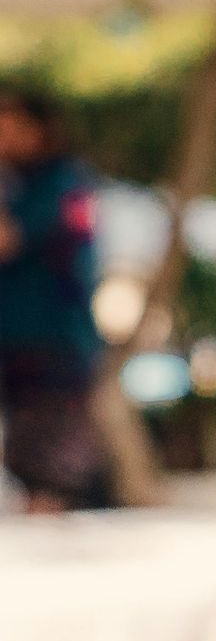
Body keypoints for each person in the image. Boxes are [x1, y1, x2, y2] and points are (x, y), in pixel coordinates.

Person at [0, 87, 113, 509]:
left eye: (9, 125)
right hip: (25, 347)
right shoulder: (23, 185)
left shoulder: (59, 183)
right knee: (32, 470)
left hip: (52, 348)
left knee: (50, 474)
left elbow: (7, 240)